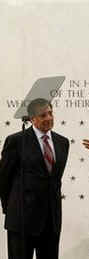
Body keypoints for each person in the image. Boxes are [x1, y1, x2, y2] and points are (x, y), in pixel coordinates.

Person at [0, 98, 70, 259]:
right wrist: (9, 208)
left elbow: (54, 180)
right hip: (22, 219)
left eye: (51, 113)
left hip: (51, 221)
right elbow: (4, 179)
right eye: (43, 115)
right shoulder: (16, 141)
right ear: (32, 119)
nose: (49, 118)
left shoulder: (63, 142)